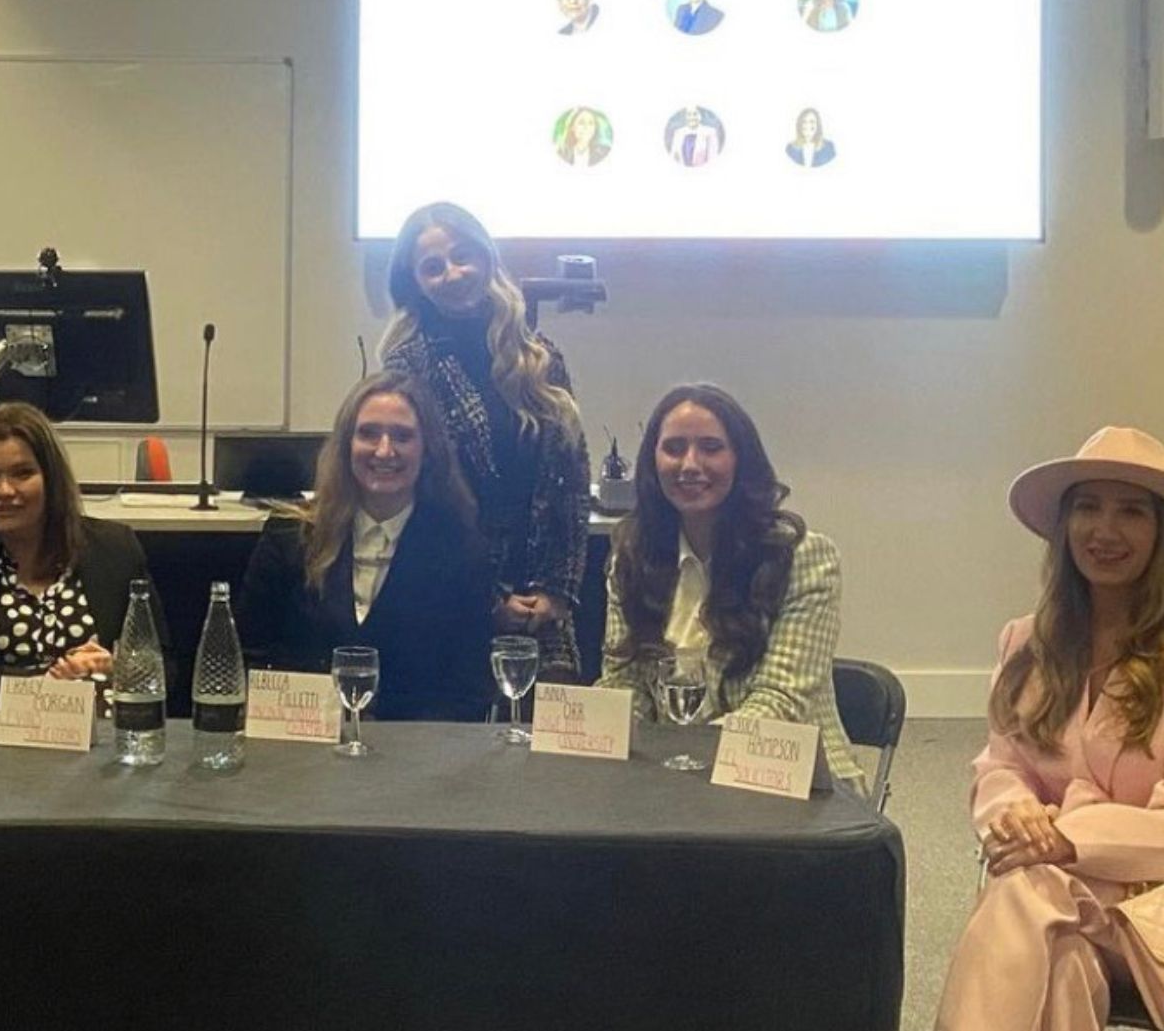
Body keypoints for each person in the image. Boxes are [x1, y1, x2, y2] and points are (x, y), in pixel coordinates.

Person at [932, 427, 1164, 1031]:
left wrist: (1067, 837)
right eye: (1087, 507)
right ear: (1063, 525)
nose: (1104, 531)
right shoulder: (1024, 642)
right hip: (1063, 899)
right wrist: (1018, 817)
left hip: (1154, 907)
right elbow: (1000, 766)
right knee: (1056, 957)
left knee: (1026, 897)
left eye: (1131, 512)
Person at [595, 384, 866, 795]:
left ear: (741, 460)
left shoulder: (804, 557)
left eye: (710, 447)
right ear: (652, 463)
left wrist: (684, 770)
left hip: (793, 783)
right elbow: (622, 683)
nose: (690, 464)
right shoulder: (630, 557)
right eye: (673, 448)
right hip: (672, 777)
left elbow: (780, 705)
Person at [379, 201, 590, 679]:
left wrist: (557, 592)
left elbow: (572, 485)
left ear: (485, 258)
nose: (452, 274)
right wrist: (489, 598)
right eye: (432, 267)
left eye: (461, 257)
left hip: (545, 607)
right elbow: (421, 500)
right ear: (414, 282)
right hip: (454, 596)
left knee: (549, 746)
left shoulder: (539, 358)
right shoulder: (408, 366)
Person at [237, 373, 493, 721]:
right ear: (346, 445)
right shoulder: (288, 536)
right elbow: (250, 660)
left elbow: (468, 693)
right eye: (369, 433)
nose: (384, 450)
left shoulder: (463, 552)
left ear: (427, 449)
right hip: (301, 753)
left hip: (413, 761)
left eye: (402, 436)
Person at [0, 401, 165, 709]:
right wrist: (43, 689)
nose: (4, 490)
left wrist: (116, 668)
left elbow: (165, 668)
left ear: (51, 479)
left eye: (22, 474)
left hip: (98, 736)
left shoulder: (115, 549)